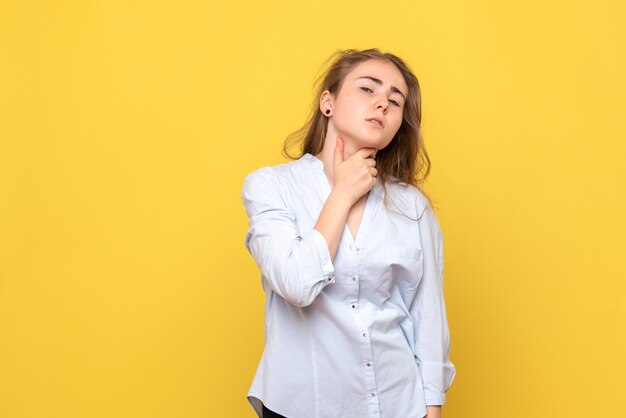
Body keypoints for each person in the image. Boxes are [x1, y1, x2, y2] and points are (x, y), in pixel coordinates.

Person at [241, 48, 456, 418]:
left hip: (397, 404)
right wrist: (342, 193)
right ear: (328, 101)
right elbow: (296, 284)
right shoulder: (271, 187)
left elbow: (428, 319)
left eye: (395, 99)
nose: (383, 105)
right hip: (302, 406)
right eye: (368, 90)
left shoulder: (412, 207)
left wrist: (432, 411)